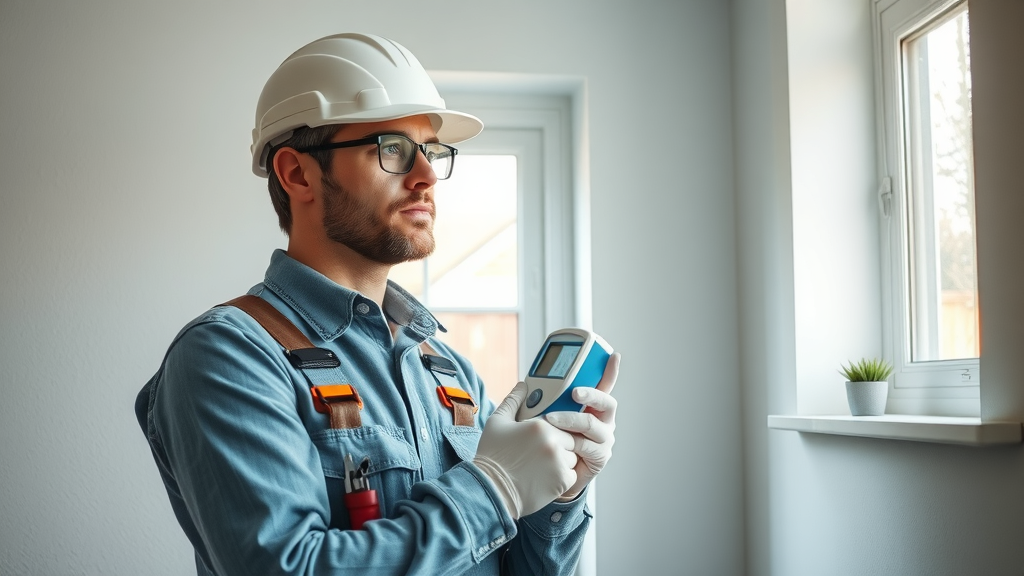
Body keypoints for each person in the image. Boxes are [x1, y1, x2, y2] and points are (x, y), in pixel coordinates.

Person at [134, 32, 620, 576]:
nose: (427, 175)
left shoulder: (447, 372)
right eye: (392, 148)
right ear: (297, 173)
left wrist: (555, 499)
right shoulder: (229, 356)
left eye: (431, 151)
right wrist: (494, 489)